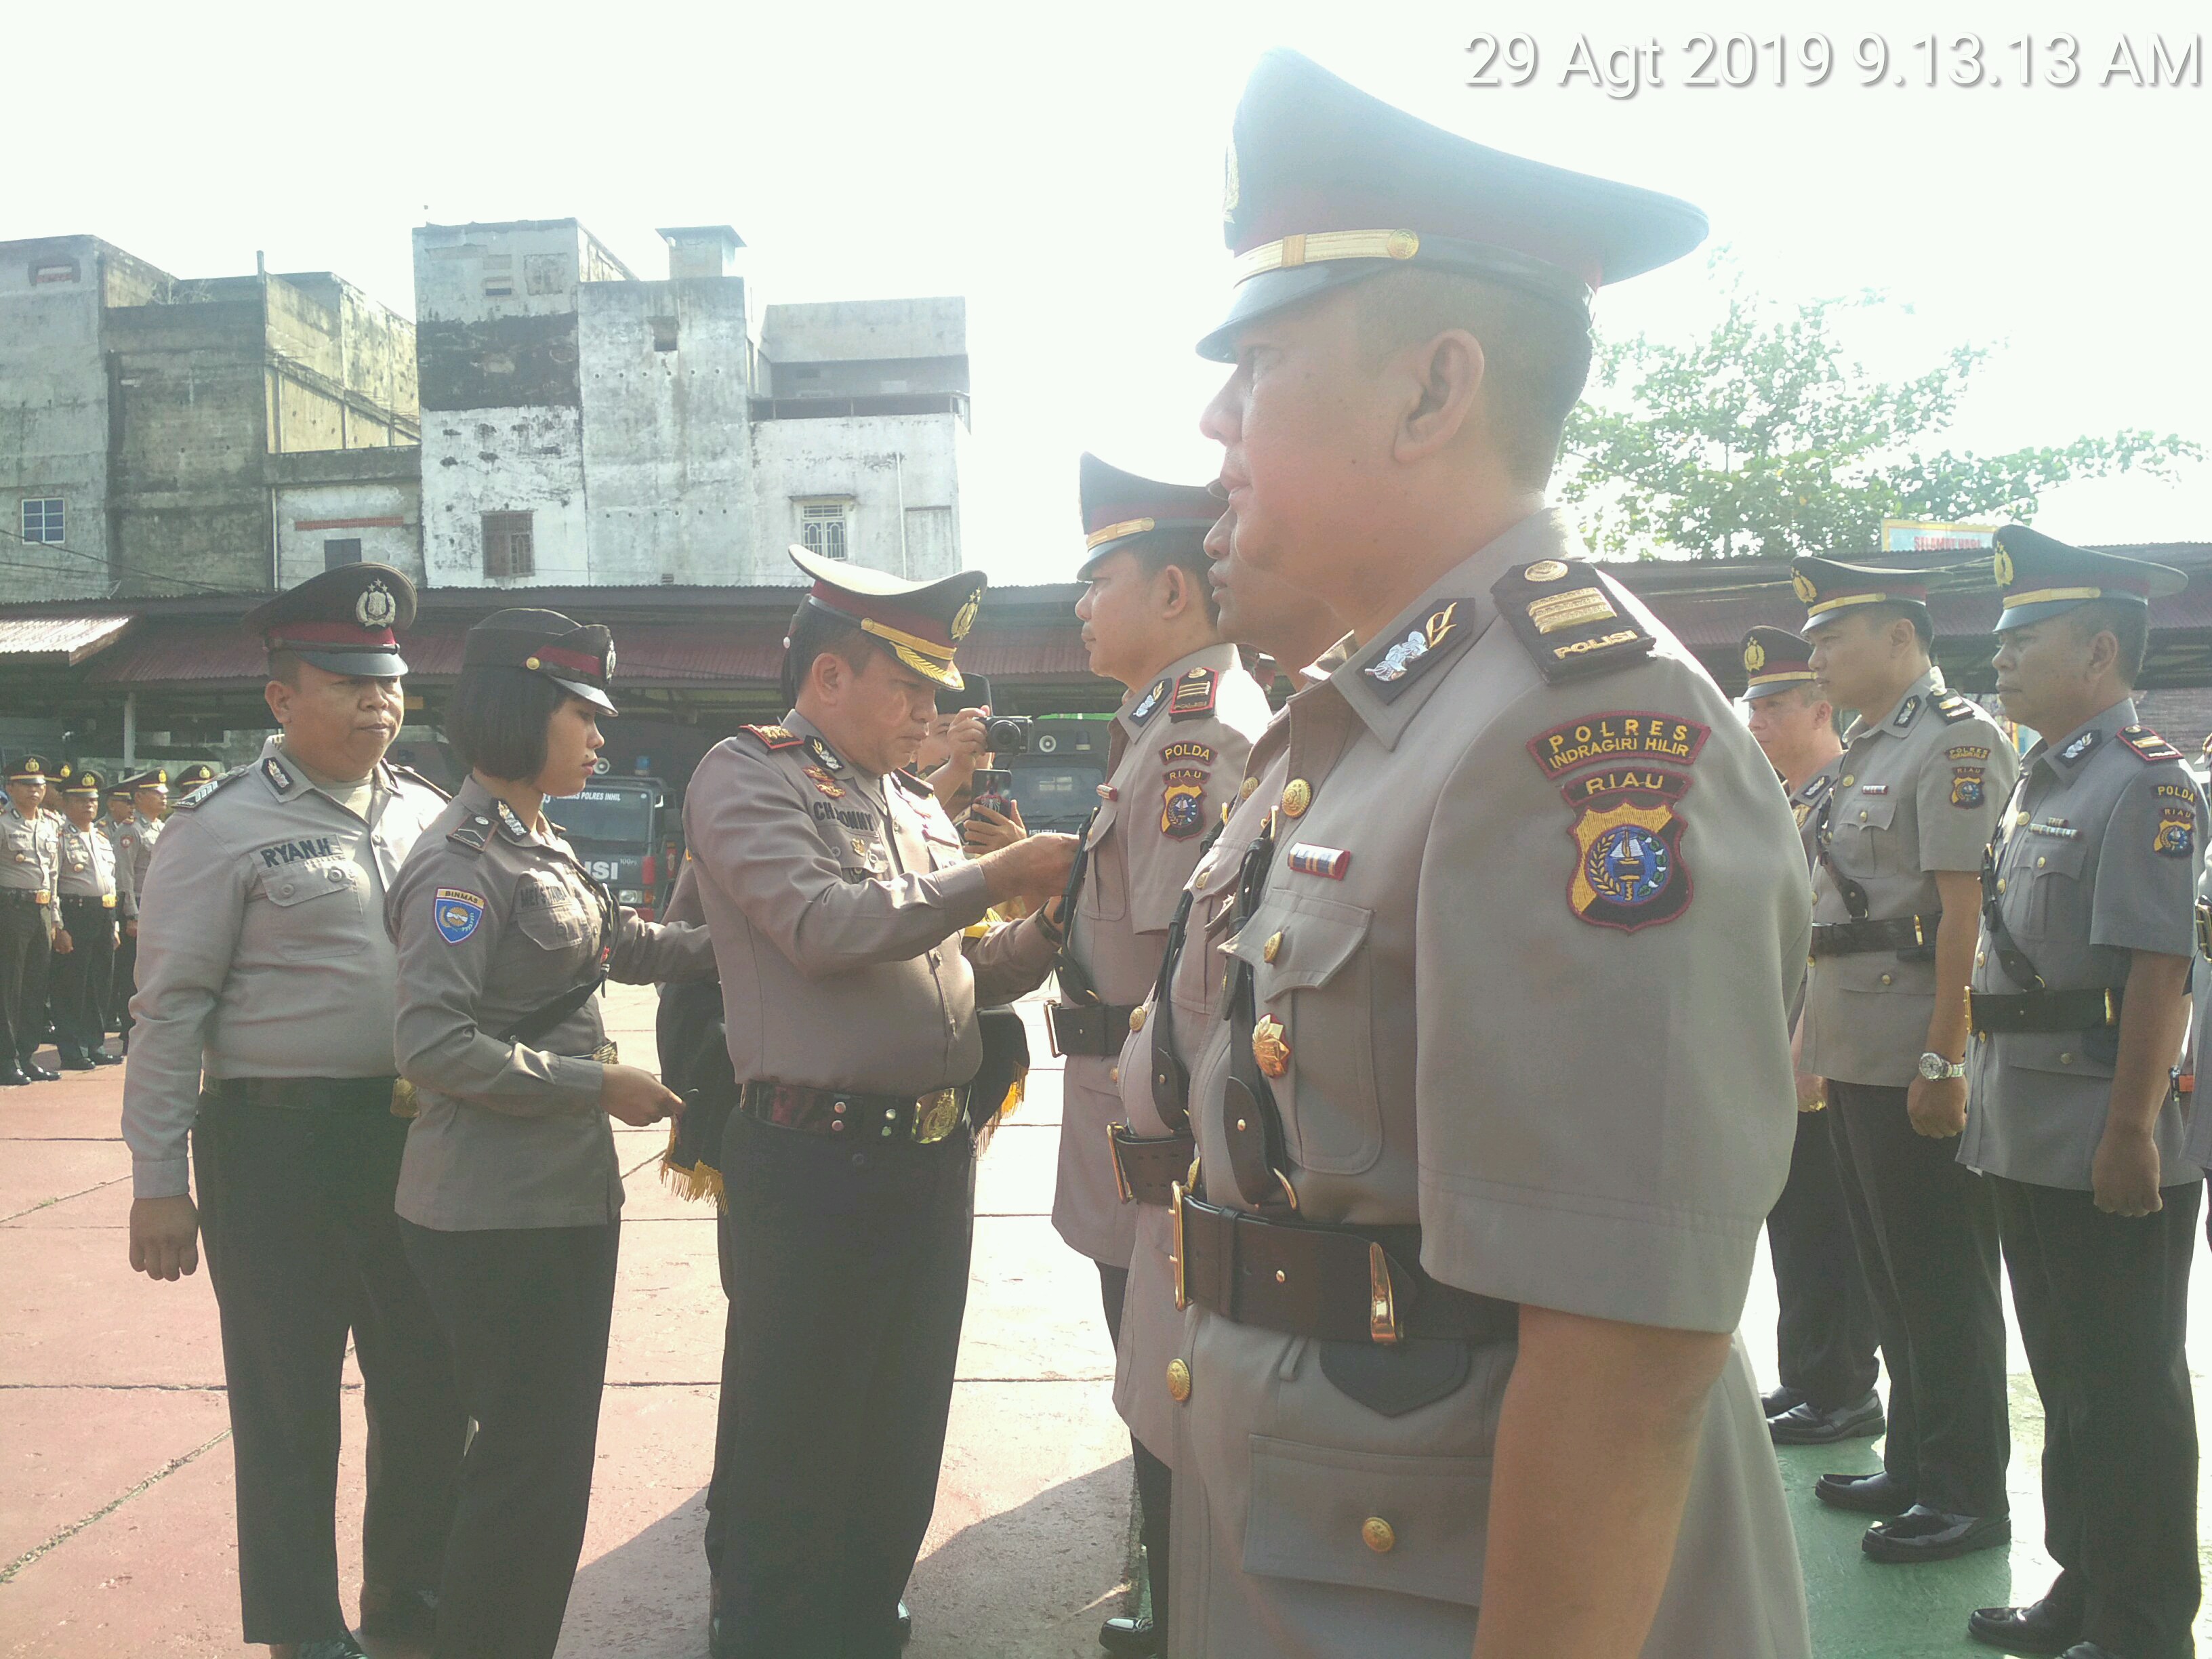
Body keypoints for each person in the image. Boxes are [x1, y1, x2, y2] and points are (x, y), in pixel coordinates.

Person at [1164, 50, 1812, 1658]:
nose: (1214, 416)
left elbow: (1623, 1350)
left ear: (1433, 389)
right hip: (1328, 1533)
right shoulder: (1394, 712)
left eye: (1259, 360)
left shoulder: (1581, 734)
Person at [684, 547, 1077, 1659]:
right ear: (826, 680)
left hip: (925, 1160)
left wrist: (1048, 921)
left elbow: (963, 971)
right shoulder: (746, 774)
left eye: (934, 690)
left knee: (898, 1429)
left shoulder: (907, 799)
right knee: (792, 1440)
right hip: (814, 1161)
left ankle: (862, 1620)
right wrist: (998, 874)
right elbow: (822, 928)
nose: (928, 712)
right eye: (906, 687)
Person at [121, 565, 466, 1659]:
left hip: (417, 1137)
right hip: (276, 1147)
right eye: (347, 682)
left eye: (390, 683)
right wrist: (158, 1179)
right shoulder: (216, 825)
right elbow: (168, 1011)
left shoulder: (429, 812)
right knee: (289, 1406)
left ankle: (409, 1602)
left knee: (426, 1386)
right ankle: (303, 1628)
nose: (378, 703)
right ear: (280, 697)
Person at [387, 609, 715, 1659]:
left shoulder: (540, 838)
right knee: (525, 1467)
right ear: (524, 712)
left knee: (548, 1461)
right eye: (584, 715)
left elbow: (618, 945)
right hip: (492, 1210)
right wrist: (593, 1084)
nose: (600, 738)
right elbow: (434, 1047)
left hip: (558, 1199)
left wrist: (759, 939)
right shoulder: (458, 866)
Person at [1104, 501, 1342, 1656]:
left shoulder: (1216, 727)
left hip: (1257, 1233)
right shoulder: (1295, 732)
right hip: (1185, 1191)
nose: (1219, 541)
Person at [1959, 529, 2202, 1659]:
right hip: (2023, 1119)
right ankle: (2081, 1581)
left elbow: (2158, 970)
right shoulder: (2043, 777)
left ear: (2096, 650)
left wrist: (2130, 1131)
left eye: (2022, 639)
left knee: (2126, 1386)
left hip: (2104, 1126)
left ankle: (2143, 1620)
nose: (1997, 656)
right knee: (2063, 1375)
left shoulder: (2146, 781)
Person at [1046, 454, 1272, 1658]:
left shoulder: (1201, 736)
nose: (1082, 605)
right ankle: (1162, 1581)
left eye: (1102, 579)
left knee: (1165, 1381)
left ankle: (1183, 1606)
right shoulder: (1153, 728)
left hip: (1153, 1118)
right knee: (1142, 1370)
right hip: (1115, 1101)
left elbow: (1180, 978)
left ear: (1176, 594)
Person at [1795, 555, 2018, 1563]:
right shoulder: (1859, 749)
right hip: (1854, 1043)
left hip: (1912, 1048)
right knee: (1890, 1275)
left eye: (1832, 640)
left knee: (1942, 1281)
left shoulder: (1956, 742)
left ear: (1899, 639)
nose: (1818, 660)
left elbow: (1964, 912)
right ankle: (1920, 1468)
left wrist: (1945, 1060)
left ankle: (1970, 1496)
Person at [1740, 627, 1885, 1446]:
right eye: (1752, 703)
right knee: (1794, 1217)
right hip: (1784, 1036)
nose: (1756, 718)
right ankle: (1810, 1377)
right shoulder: (1791, 799)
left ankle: (1842, 1387)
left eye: (1775, 703)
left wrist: (1804, 1043)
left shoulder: (1844, 795)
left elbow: (1839, 937)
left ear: (1821, 710)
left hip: (1823, 1042)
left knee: (1828, 1220)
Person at [49, 764, 125, 1069]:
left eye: (93, 800)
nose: (89, 806)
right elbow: (51, 881)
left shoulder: (103, 838)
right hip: (74, 913)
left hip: (103, 914)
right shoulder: (59, 836)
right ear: (66, 803)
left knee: (99, 984)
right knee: (72, 985)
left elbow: (113, 882)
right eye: (81, 800)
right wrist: (59, 926)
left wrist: (115, 924)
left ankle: (94, 1044)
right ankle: (72, 1049)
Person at [1, 754, 61, 1086]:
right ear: (10, 787)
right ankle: (5, 1060)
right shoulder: (3, 822)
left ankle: (27, 1055)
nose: (35, 791)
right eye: (26, 785)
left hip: (40, 909)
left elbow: (52, 876)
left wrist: (55, 919)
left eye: (39, 785)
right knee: (9, 987)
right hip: (9, 909)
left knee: (36, 986)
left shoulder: (50, 823)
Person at [110, 766, 170, 1051]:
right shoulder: (130, 829)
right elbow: (124, 876)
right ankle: (129, 1033)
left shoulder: (162, 827)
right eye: (157, 794)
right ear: (140, 796)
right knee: (132, 975)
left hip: (161, 909)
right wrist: (131, 915)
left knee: (156, 973)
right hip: (138, 908)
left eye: (165, 794)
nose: (163, 799)